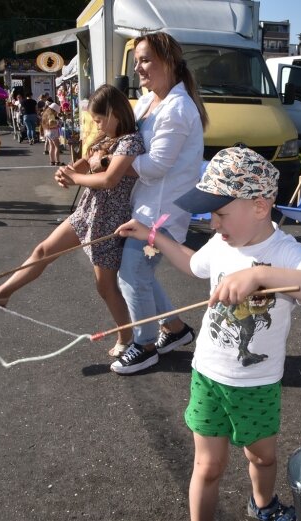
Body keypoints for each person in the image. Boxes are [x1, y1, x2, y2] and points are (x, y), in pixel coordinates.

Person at [114, 146, 301, 521]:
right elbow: (193, 264)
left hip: (258, 384)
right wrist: (152, 236)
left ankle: (262, 505)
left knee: (262, 456)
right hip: (208, 377)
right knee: (208, 466)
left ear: (260, 206)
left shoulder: (284, 252)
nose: (213, 223)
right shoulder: (220, 243)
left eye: (220, 213)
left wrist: (261, 274)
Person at [0, 84, 143, 357]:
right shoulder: (104, 139)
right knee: (44, 250)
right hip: (87, 212)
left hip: (108, 219)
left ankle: (127, 336)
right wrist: (67, 172)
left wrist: (76, 178)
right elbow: (84, 165)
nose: (97, 124)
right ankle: (2, 294)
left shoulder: (130, 141)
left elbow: (110, 179)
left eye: (99, 119)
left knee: (106, 286)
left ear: (114, 113)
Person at [110, 31, 210, 375]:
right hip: (145, 209)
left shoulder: (178, 108)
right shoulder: (147, 101)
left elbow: (154, 167)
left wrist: (112, 165)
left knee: (133, 272)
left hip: (164, 215)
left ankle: (146, 344)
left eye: (146, 59)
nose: (138, 68)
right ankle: (177, 329)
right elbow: (130, 143)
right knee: (142, 274)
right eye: (136, 60)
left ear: (169, 62)